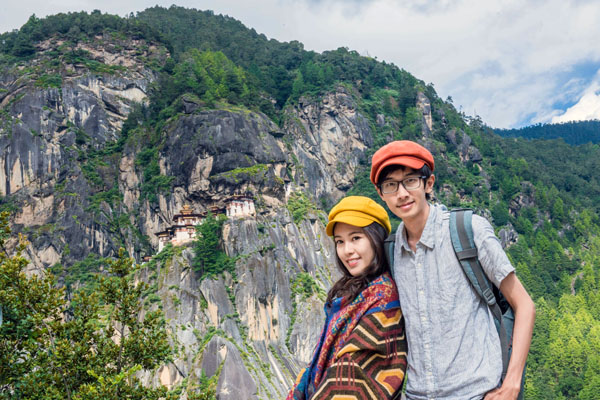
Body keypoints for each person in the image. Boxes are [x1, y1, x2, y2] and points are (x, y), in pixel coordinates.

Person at [370, 140, 536, 400]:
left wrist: (512, 383)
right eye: (391, 185)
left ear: (429, 183)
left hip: (477, 393)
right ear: (382, 194)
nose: (401, 193)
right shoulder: (390, 252)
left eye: (410, 180)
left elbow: (524, 304)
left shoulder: (469, 231)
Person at [287, 196, 407, 400]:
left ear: (376, 238)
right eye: (340, 242)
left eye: (356, 238)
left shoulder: (384, 297)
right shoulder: (349, 292)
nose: (347, 250)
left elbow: (353, 376)